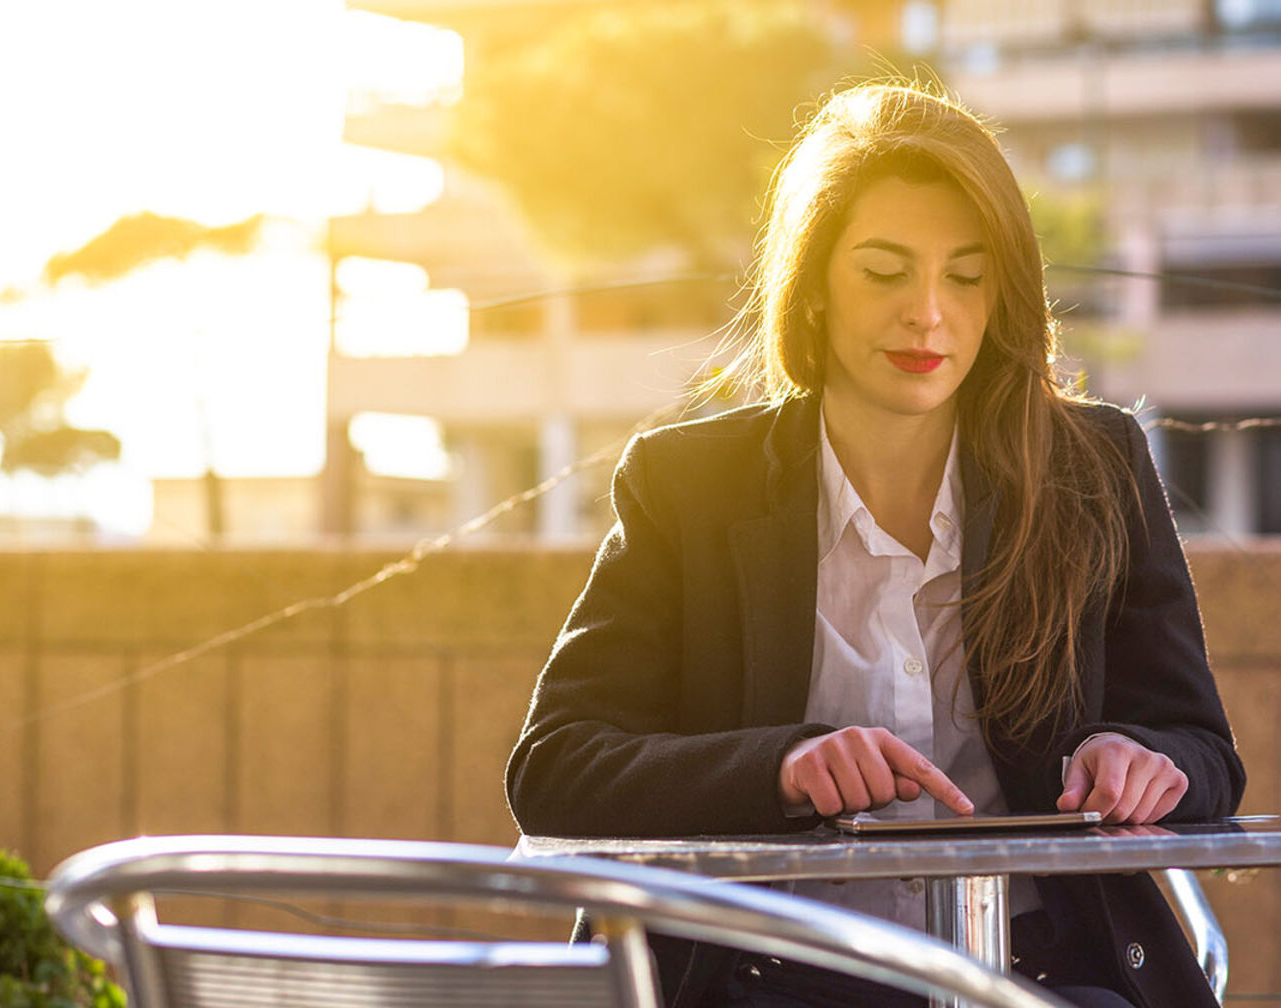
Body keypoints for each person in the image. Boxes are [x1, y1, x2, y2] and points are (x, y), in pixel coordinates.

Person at [506, 81, 1244, 1008]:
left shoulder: (1093, 470)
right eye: (885, 272)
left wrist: (1144, 758)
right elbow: (555, 767)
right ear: (813, 287)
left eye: (966, 277)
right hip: (765, 983)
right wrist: (779, 767)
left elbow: (1207, 753)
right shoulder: (689, 486)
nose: (927, 314)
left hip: (1038, 979)